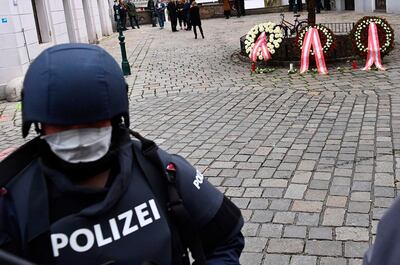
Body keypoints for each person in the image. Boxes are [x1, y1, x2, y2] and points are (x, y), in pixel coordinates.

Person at [0, 43, 244, 265]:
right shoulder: (13, 202)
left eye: (91, 122)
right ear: (39, 124)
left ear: (116, 118)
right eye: (62, 126)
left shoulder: (160, 169)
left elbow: (226, 237)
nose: (78, 134)